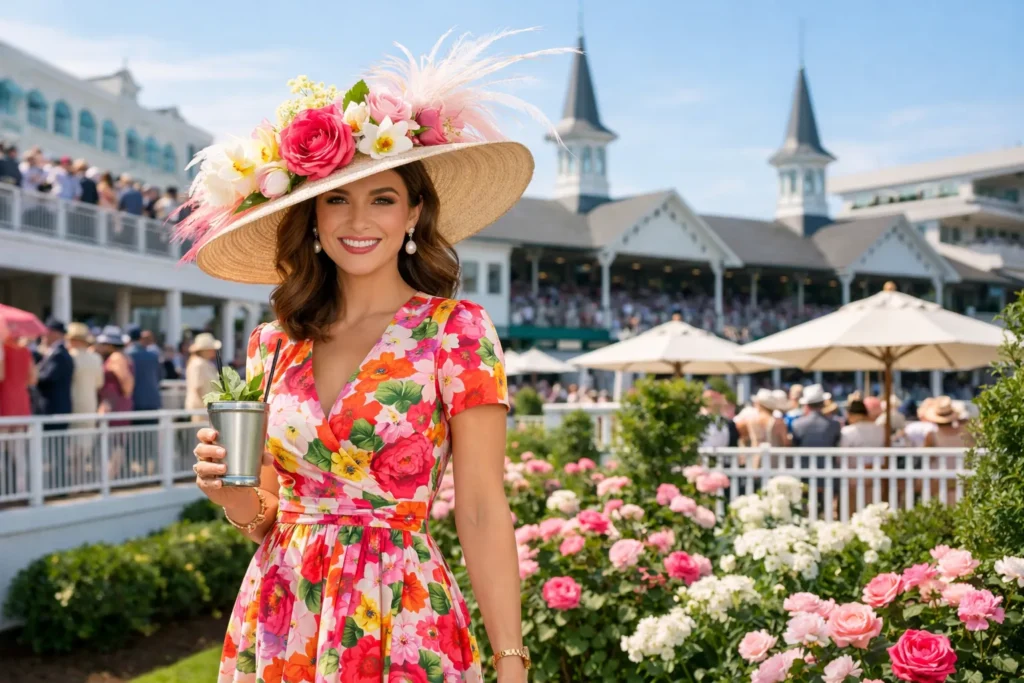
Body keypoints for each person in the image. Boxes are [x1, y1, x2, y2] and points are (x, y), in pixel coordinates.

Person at [187, 31, 561, 681]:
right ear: (312, 215)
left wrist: (511, 659)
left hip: (403, 617)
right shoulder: (272, 343)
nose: (358, 218)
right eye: (337, 197)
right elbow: (261, 514)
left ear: (414, 211)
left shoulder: (456, 330)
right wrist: (230, 492)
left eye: (382, 197)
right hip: (283, 615)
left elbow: (479, 507)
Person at [0, 335, 36, 494]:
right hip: (22, 404)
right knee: (19, 454)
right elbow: (33, 379)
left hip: (4, 403)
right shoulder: (26, 351)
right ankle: (23, 492)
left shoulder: (3, 350)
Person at [36, 319, 74, 430]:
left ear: (55, 333)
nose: (43, 335)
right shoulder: (56, 352)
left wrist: (32, 378)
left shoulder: (59, 355)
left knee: (51, 446)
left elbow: (47, 379)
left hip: (54, 411)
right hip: (54, 410)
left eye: (46, 332)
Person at [184, 333, 221, 422]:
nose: (214, 351)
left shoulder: (204, 363)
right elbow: (198, 387)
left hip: (205, 408)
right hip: (200, 409)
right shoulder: (198, 364)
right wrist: (207, 406)